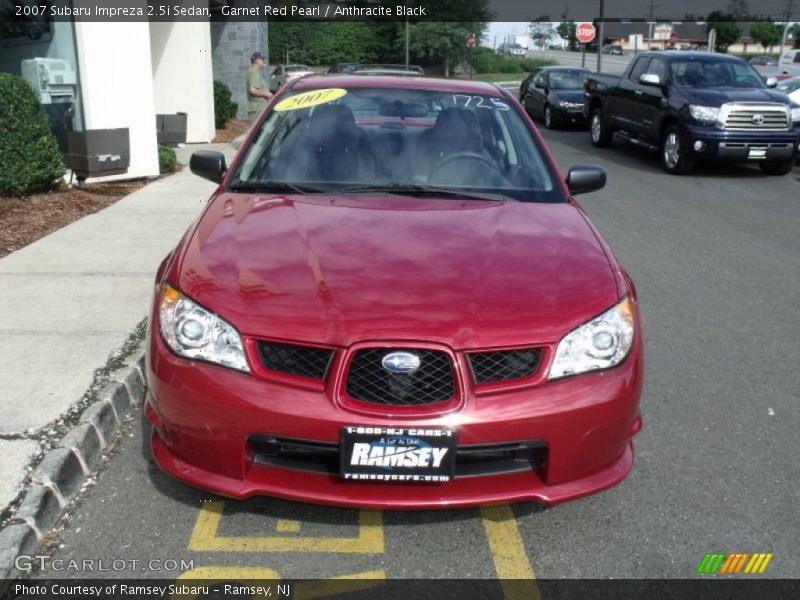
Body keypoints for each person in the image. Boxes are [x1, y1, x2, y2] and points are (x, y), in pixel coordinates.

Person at [246, 52, 273, 123]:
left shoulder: (250, 72)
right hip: (258, 109)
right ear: (257, 60)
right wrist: (267, 94)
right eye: (262, 59)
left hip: (255, 108)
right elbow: (253, 90)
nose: (263, 61)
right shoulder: (254, 73)